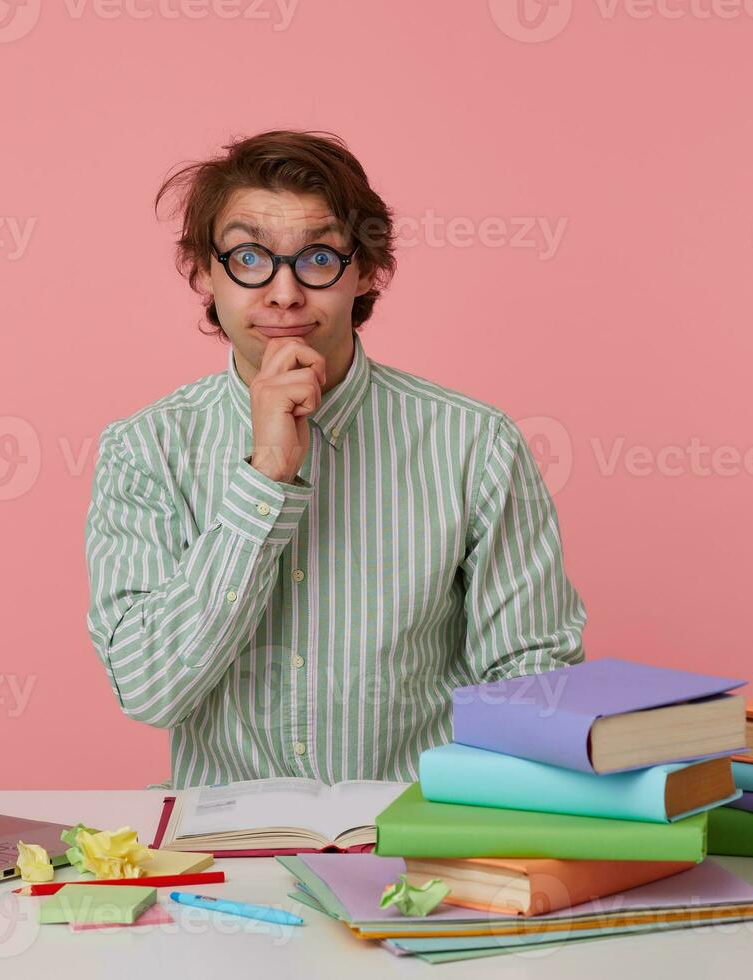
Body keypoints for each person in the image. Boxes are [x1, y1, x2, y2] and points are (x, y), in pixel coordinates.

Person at [85, 130, 587, 788]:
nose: (285, 293)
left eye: (318, 258)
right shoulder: (145, 449)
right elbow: (148, 690)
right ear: (203, 271)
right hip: (225, 846)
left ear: (366, 270)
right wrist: (264, 478)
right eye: (248, 258)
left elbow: (533, 687)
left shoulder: (475, 444)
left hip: (416, 840)